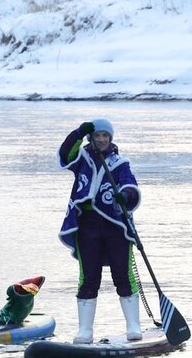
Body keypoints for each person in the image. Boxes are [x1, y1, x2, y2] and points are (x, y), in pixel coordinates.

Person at [58, 119, 143, 343]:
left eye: (106, 136)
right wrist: (77, 133)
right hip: (87, 226)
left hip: (115, 226)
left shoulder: (120, 163)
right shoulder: (82, 159)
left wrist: (125, 196)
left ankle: (134, 326)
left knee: (123, 275)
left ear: (110, 139)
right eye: (98, 136)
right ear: (92, 138)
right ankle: (85, 331)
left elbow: (130, 185)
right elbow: (65, 154)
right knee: (89, 278)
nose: (102, 140)